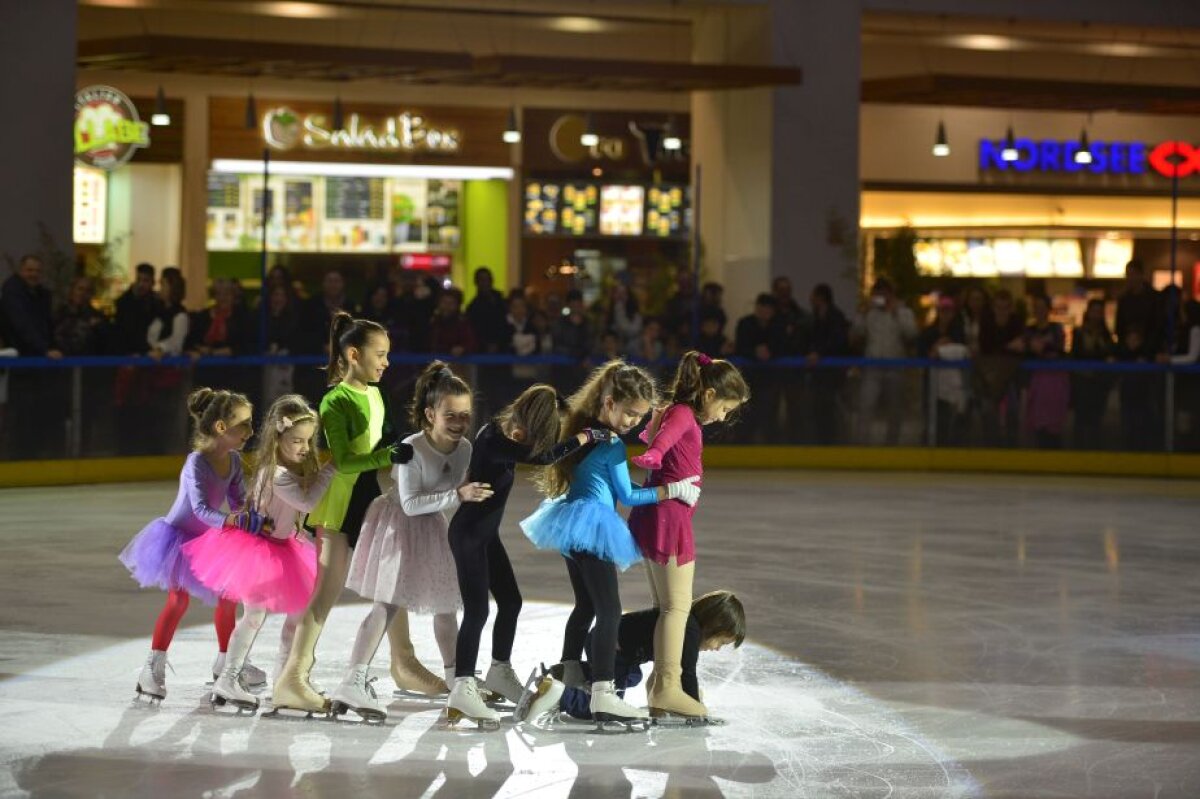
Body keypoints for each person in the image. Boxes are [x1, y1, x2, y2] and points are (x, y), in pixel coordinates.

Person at [520, 361, 702, 730]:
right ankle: (603, 693)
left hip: (572, 525)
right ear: (608, 403)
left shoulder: (589, 432)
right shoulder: (612, 444)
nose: (633, 423)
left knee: (587, 605)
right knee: (610, 611)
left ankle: (566, 676)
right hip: (593, 526)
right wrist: (673, 489)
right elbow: (627, 495)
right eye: (629, 413)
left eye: (640, 417)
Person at [445, 386, 611, 727]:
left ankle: (499, 671)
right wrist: (586, 435)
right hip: (468, 536)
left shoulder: (500, 436)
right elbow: (542, 458)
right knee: (477, 610)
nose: (532, 440)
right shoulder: (492, 437)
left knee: (511, 602)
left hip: (484, 536)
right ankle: (462, 687)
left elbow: (531, 453)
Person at [271, 312, 411, 715]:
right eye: (380, 355)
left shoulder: (376, 394)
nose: (386, 363)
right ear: (354, 354)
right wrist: (388, 454)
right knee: (327, 591)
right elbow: (346, 461)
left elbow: (381, 443)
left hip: (368, 493)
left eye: (387, 355)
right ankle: (293, 678)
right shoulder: (336, 400)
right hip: (339, 500)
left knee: (390, 579)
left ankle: (403, 660)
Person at [333, 362, 486, 720]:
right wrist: (458, 496)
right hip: (398, 524)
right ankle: (352, 680)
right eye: (451, 414)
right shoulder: (410, 449)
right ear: (430, 413)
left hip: (432, 526)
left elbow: (450, 492)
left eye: (465, 415)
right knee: (386, 605)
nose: (459, 422)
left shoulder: (464, 448)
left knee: (446, 605)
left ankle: (457, 680)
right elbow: (412, 504)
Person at [182, 394, 331, 710]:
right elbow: (307, 503)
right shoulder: (275, 474)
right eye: (296, 441)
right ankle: (228, 678)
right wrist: (331, 472)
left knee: (297, 616)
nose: (304, 447)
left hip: (284, 547)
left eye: (308, 441)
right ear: (278, 438)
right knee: (253, 617)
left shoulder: (289, 471)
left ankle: (285, 678)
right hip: (260, 552)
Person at [627, 352, 749, 720]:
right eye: (725, 407)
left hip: (659, 515)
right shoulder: (683, 413)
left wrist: (656, 444)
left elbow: (659, 432)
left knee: (668, 607)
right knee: (677, 608)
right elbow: (662, 441)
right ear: (709, 394)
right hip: (670, 518)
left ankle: (661, 685)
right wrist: (655, 454)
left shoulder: (675, 411)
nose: (723, 417)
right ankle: (667, 686)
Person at [118, 388, 258, 703]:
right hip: (179, 539)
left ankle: (227, 663)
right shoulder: (196, 461)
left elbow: (238, 501)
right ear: (222, 427)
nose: (251, 431)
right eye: (244, 424)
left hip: (211, 536)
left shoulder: (234, 460)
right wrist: (233, 521)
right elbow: (199, 509)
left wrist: (252, 515)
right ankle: (152, 668)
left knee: (229, 596)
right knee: (178, 601)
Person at [518, 591, 746, 725]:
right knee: (607, 709)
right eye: (721, 642)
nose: (717, 649)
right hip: (611, 650)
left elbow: (665, 674)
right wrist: (697, 708)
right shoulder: (689, 630)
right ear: (714, 624)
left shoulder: (683, 621)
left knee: (633, 676)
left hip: (605, 644)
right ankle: (560, 695)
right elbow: (686, 672)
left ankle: (573, 673)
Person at [851, 278, 917, 445]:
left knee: (895, 409)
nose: (881, 297)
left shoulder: (903, 312)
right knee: (866, 406)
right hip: (872, 366)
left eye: (884, 293)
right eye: (877, 294)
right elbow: (856, 333)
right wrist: (863, 313)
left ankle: (892, 444)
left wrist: (895, 313)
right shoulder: (869, 313)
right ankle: (861, 443)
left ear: (891, 294)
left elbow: (912, 333)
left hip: (895, 366)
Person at [1014, 294, 1069, 449]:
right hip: (1034, 383)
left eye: (1042, 307)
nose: (1039, 311)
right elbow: (1024, 349)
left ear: (1048, 309)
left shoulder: (1056, 329)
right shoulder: (1028, 330)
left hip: (1054, 384)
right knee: (1035, 420)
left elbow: (1057, 348)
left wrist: (1041, 347)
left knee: (1053, 421)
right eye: (1036, 308)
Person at [735, 293, 787, 443]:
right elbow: (741, 346)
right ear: (757, 308)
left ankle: (771, 448)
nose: (764, 311)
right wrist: (754, 352)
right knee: (746, 416)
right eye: (762, 307)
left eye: (768, 308)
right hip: (748, 381)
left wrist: (770, 351)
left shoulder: (779, 325)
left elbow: (784, 346)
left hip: (770, 381)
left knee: (769, 416)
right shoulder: (745, 324)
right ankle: (743, 447)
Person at [918, 295, 969, 447]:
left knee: (954, 417)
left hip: (954, 383)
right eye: (942, 311)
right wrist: (936, 348)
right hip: (933, 382)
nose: (945, 314)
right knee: (933, 415)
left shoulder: (959, 334)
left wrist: (944, 348)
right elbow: (921, 353)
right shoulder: (928, 332)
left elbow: (964, 352)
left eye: (949, 311)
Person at [806, 283, 849, 444]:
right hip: (820, 375)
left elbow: (837, 341)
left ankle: (831, 442)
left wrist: (820, 353)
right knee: (819, 409)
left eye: (813, 296)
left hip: (832, 374)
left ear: (820, 298)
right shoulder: (816, 317)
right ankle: (821, 441)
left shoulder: (836, 317)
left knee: (830, 409)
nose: (810, 299)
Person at [1070, 299, 1116, 449]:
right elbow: (1075, 356)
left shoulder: (1105, 336)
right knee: (1081, 419)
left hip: (1099, 385)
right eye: (1094, 311)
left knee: (1096, 420)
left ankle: (1094, 450)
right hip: (1082, 384)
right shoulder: (1079, 333)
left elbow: (1110, 354)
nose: (1096, 315)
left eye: (1099, 312)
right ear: (1088, 313)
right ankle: (1079, 451)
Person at [111, 262, 161, 355]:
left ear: (152, 282)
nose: (141, 284)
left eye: (145, 280)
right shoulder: (124, 302)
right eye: (139, 280)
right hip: (128, 354)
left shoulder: (157, 302)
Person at [466, 267, 510, 354]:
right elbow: (473, 331)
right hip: (481, 351)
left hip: (503, 349)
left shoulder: (501, 302)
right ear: (476, 282)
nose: (485, 283)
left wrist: (498, 343)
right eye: (481, 279)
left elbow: (506, 324)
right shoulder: (472, 307)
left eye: (487, 279)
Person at [430, 287, 477, 356]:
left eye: (452, 303)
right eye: (444, 302)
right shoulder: (434, 322)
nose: (447, 306)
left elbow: (472, 343)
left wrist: (463, 348)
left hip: (458, 363)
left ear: (458, 305)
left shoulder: (463, 323)